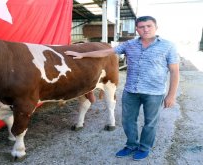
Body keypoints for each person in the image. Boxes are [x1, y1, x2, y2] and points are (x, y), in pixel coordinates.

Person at [65, 16, 179, 161]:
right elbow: (106, 52)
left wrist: (171, 95)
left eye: (149, 26)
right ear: (137, 29)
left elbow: (175, 71)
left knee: (150, 123)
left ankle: (144, 148)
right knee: (128, 121)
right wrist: (82, 54)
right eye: (142, 27)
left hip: (154, 93)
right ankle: (131, 145)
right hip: (131, 91)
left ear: (156, 27)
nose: (145, 29)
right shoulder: (129, 44)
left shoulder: (168, 46)